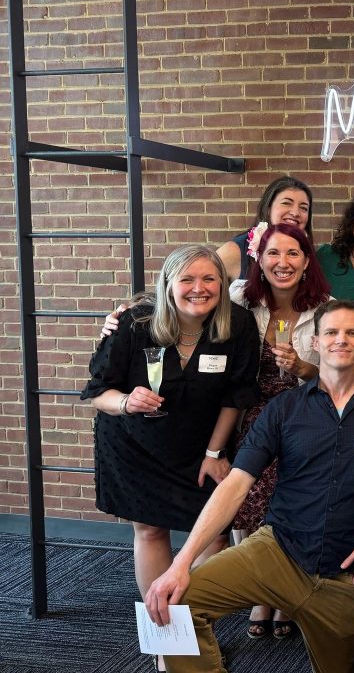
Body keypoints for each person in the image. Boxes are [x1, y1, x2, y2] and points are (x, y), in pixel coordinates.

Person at [143, 300, 354, 673]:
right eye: (331, 332)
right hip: (276, 552)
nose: (341, 340)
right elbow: (235, 484)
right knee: (177, 602)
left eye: (351, 333)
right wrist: (180, 563)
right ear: (316, 342)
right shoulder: (286, 408)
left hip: (346, 575)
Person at [82, 245, 260, 672]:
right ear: (168, 284)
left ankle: (191, 619)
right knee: (150, 532)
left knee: (215, 533)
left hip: (198, 446)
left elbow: (237, 396)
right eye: (187, 280)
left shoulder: (237, 324)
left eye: (209, 279)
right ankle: (167, 637)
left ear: (223, 284)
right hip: (133, 444)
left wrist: (215, 453)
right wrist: (126, 401)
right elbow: (96, 392)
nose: (199, 289)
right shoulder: (133, 323)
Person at [229, 222, 331, 641]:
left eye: (293, 254)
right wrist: (124, 312)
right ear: (259, 259)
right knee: (249, 509)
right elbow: (180, 296)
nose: (282, 262)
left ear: (307, 261)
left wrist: (304, 368)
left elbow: (339, 373)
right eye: (273, 253)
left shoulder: (325, 308)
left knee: (290, 508)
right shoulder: (238, 300)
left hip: (302, 419)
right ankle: (262, 593)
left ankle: (285, 595)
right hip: (247, 418)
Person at [216, 175, 315, 282]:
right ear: (268, 209)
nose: (295, 213)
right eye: (286, 203)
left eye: (303, 208)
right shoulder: (234, 251)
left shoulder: (308, 253)